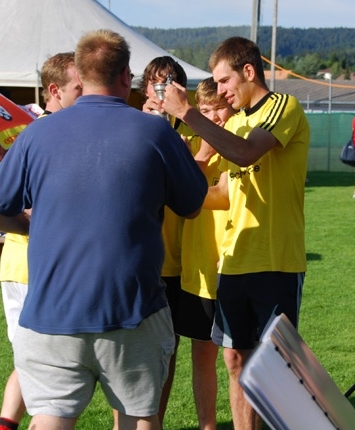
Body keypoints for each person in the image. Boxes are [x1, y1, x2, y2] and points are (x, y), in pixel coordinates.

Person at [0, 29, 207, 430]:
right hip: (132, 308)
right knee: (140, 416)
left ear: (81, 77)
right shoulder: (156, 132)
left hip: (50, 310)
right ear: (126, 76)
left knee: (49, 417)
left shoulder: (37, 133)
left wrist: (28, 227)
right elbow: (192, 205)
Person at [161, 36, 310, 430]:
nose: (222, 91)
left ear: (249, 71)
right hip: (233, 261)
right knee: (234, 358)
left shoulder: (283, 107)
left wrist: (188, 113)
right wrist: (173, 188)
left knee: (274, 364)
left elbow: (246, 153)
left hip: (275, 260)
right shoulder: (238, 123)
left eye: (225, 81)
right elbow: (224, 195)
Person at [0, 50, 82, 430]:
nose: (89, 95)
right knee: (49, 372)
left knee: (29, 361)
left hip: (23, 265)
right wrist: (37, 224)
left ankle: (6, 425)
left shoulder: (33, 133)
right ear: (55, 91)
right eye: (80, 88)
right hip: (36, 266)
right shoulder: (49, 136)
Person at [174, 77, 235, 430]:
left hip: (235, 267)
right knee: (201, 355)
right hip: (198, 269)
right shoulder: (191, 147)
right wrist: (198, 158)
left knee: (236, 358)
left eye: (219, 109)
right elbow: (180, 196)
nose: (213, 118)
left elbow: (219, 197)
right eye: (206, 111)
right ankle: (207, 426)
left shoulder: (240, 146)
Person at [138, 55, 192, 427]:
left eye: (170, 83)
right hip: (141, 261)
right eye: (157, 83)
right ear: (145, 88)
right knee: (130, 353)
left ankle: (156, 419)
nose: (162, 90)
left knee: (167, 350)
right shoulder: (131, 124)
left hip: (177, 261)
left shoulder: (190, 131)